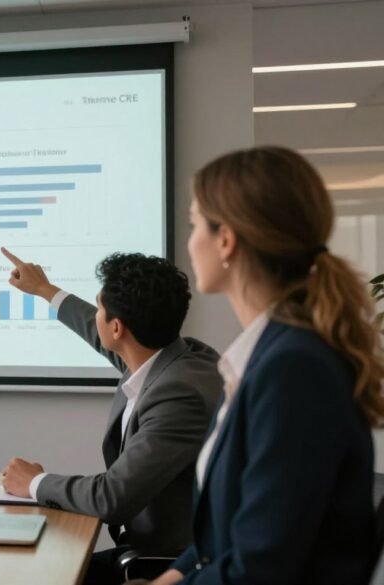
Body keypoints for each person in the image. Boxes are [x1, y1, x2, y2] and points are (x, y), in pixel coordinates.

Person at [148, 146, 383, 585]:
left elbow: (260, 568)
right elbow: (223, 536)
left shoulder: (293, 369)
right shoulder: (266, 357)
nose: (190, 241)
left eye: (195, 224)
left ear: (226, 240)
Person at [0, 249, 222, 584]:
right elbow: (96, 331)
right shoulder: (174, 357)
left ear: (117, 328)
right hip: (148, 551)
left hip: (166, 564)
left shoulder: (179, 396)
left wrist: (34, 482)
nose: (96, 316)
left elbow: (112, 497)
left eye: (100, 308)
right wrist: (45, 290)